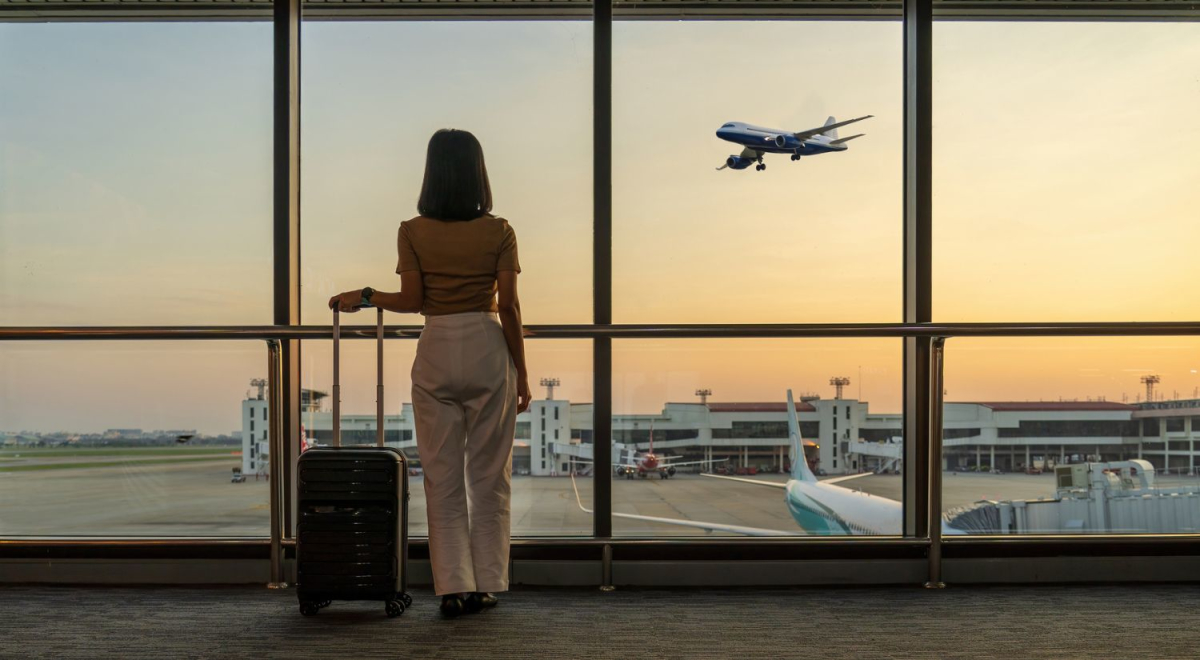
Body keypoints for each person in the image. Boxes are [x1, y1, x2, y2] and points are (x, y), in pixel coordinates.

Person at [329, 129, 532, 618]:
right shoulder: (500, 230)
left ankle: (453, 588)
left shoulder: (412, 230)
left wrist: (365, 295)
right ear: (479, 172)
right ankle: (488, 584)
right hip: (487, 346)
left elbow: (412, 302)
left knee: (441, 477)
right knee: (489, 476)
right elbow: (509, 306)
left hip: (437, 344)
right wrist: (522, 372)